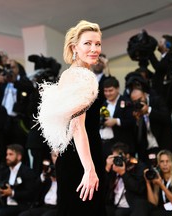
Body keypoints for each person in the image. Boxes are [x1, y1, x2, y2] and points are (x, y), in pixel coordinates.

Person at [36, 20, 106, 216]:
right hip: (82, 160)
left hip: (75, 157)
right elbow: (77, 126)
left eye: (98, 44)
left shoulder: (71, 74)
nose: (94, 49)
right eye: (88, 43)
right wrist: (89, 169)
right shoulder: (81, 76)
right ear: (74, 47)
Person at [105, 142, 148, 216]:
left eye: (119, 157)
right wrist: (107, 168)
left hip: (133, 206)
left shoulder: (138, 166)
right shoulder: (112, 167)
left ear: (127, 156)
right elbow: (103, 187)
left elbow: (138, 188)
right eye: (115, 158)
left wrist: (123, 173)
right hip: (114, 205)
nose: (117, 160)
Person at [99, 77, 136, 159]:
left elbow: (132, 121)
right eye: (105, 91)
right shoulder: (104, 104)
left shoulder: (127, 102)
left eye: (110, 90)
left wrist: (116, 121)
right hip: (104, 144)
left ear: (117, 89)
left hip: (120, 145)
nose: (108, 93)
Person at [0, 144, 36, 216]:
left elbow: (31, 193)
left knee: (1, 213)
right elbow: (0, 183)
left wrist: (12, 193)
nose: (7, 157)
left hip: (21, 205)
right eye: (7, 154)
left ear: (19, 157)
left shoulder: (27, 172)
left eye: (10, 154)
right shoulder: (5, 171)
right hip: (5, 204)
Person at [144, 149, 172, 216]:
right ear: (158, 164)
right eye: (162, 161)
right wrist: (147, 182)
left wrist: (161, 185)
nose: (165, 164)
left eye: (167, 161)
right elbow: (153, 204)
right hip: (162, 211)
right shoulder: (158, 177)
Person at [19, 151, 58, 216]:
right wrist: (43, 176)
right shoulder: (49, 170)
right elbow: (35, 190)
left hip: (57, 207)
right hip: (44, 205)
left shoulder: (67, 172)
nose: (57, 159)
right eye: (54, 156)